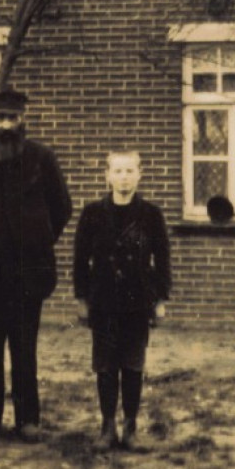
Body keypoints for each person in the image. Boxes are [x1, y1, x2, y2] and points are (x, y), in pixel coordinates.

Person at [0, 88, 73, 441]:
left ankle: (27, 420)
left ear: (24, 120)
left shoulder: (42, 158)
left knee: (25, 348)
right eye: (0, 118)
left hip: (28, 273)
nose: (6, 124)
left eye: (13, 118)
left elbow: (61, 207)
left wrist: (36, 238)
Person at [73, 150, 171, 452]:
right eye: (118, 171)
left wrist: (160, 299)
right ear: (107, 176)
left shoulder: (151, 215)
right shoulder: (92, 213)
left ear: (140, 174)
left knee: (132, 365)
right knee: (105, 366)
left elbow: (162, 259)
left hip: (137, 302)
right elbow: (80, 261)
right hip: (103, 301)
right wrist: (82, 298)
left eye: (130, 171)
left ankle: (130, 426)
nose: (124, 177)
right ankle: (107, 426)